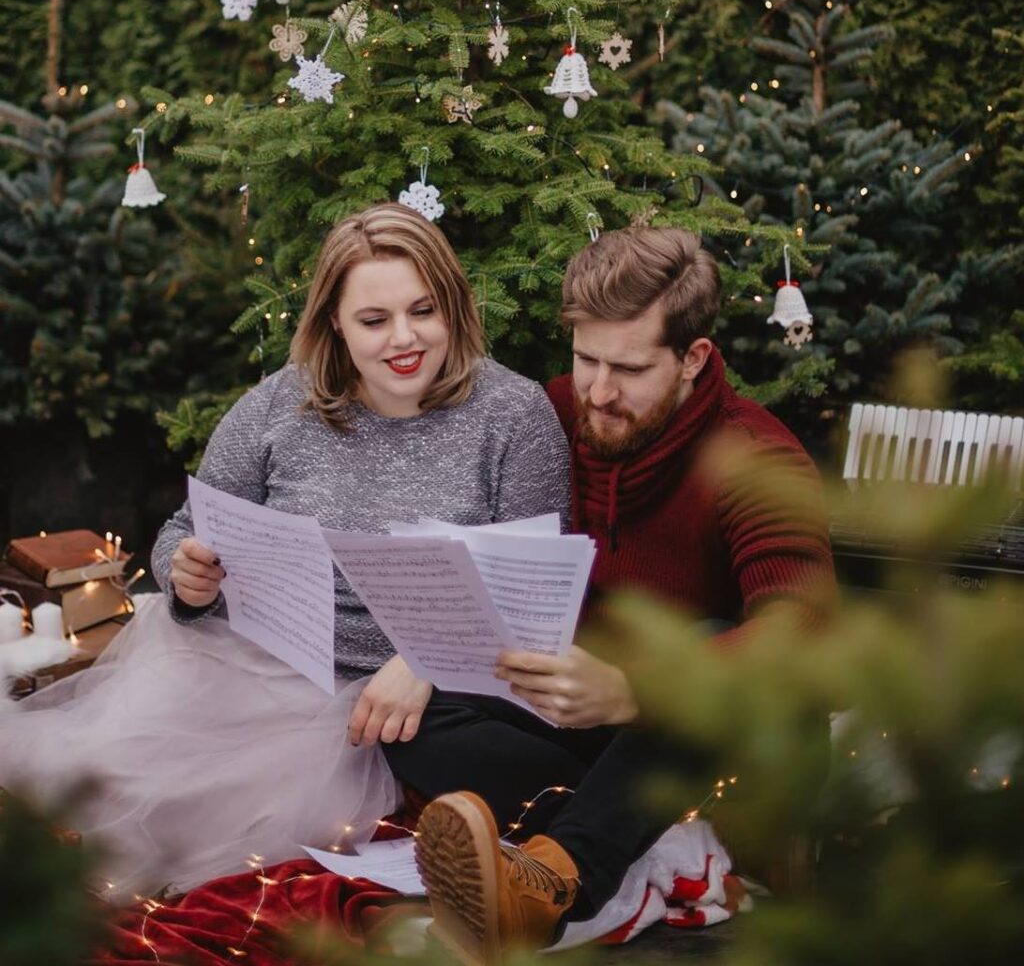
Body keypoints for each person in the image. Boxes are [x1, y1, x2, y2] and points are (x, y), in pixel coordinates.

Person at [0, 203, 570, 902]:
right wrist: (190, 577)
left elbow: (531, 588)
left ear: (453, 303)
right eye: (373, 320)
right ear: (334, 319)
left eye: (424, 311)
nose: (404, 340)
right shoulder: (282, 405)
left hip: (427, 694)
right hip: (260, 663)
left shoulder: (513, 414)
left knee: (239, 818)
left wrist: (423, 657)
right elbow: (183, 530)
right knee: (106, 793)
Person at [392, 226, 837, 964]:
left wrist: (639, 690)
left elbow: (804, 629)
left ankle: (557, 881)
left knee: (703, 638)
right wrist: (421, 654)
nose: (597, 391)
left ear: (693, 359)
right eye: (585, 358)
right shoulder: (555, 414)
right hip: (598, 732)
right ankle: (644, 836)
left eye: (628, 369)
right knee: (414, 708)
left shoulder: (757, 459)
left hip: (726, 740)